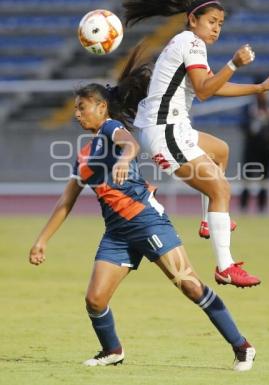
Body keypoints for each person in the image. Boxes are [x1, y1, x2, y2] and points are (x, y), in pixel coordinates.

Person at [29, 47, 256, 371]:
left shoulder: (110, 129)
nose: (77, 114)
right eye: (76, 109)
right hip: (117, 234)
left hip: (148, 222)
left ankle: (243, 347)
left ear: (101, 107)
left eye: (82, 107)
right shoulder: (83, 153)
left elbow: (130, 144)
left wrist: (123, 158)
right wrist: (42, 240)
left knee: (191, 286)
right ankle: (112, 350)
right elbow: (67, 198)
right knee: (95, 300)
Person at [122, 0, 269, 287]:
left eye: (220, 24)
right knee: (220, 189)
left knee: (220, 151)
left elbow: (211, 85)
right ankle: (225, 266)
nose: (216, 29)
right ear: (191, 20)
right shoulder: (190, 43)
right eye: (211, 21)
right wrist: (234, 64)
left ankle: (209, 221)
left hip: (171, 128)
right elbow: (208, 91)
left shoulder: (187, 44)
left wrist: (259, 88)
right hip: (166, 131)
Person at [240, 92, 269, 212]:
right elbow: (242, 124)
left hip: (267, 147)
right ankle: (243, 207)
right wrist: (254, 120)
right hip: (251, 147)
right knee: (247, 177)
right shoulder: (249, 107)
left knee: (266, 178)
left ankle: (262, 207)